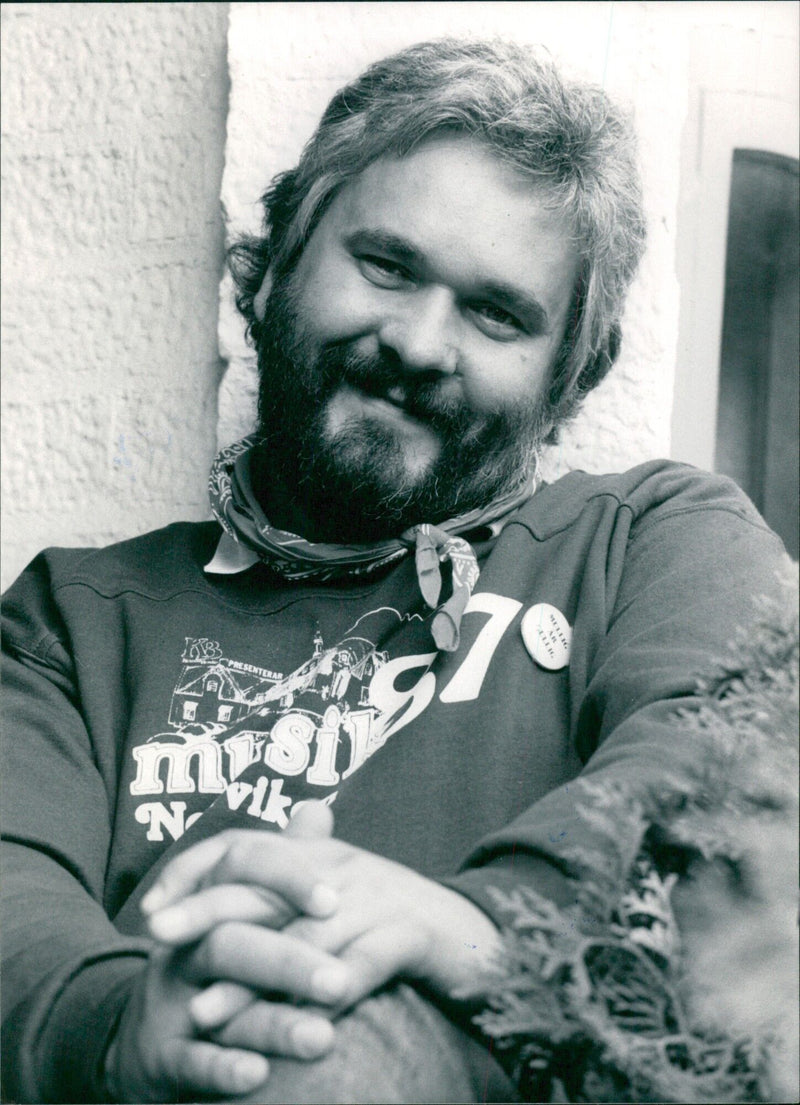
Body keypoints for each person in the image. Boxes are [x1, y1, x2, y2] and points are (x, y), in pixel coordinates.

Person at [1, 38, 791, 1105]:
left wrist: (481, 927)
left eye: (496, 313)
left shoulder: (652, 538)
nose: (421, 343)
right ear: (275, 258)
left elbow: (720, 758)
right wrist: (125, 1026)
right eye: (385, 264)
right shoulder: (74, 619)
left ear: (570, 377)